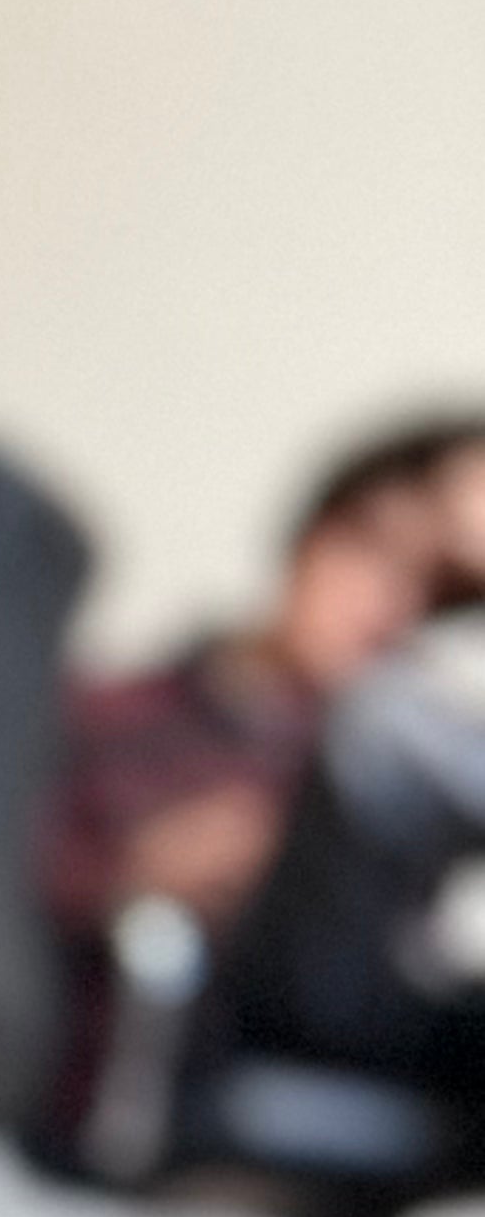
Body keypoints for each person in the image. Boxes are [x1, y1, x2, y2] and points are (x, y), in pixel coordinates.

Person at [36, 413, 485, 1156]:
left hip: (386, 1056)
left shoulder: (397, 762)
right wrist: (130, 876)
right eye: (377, 552)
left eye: (445, 597)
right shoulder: (108, 713)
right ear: (314, 530)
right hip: (195, 1075)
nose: (397, 608)